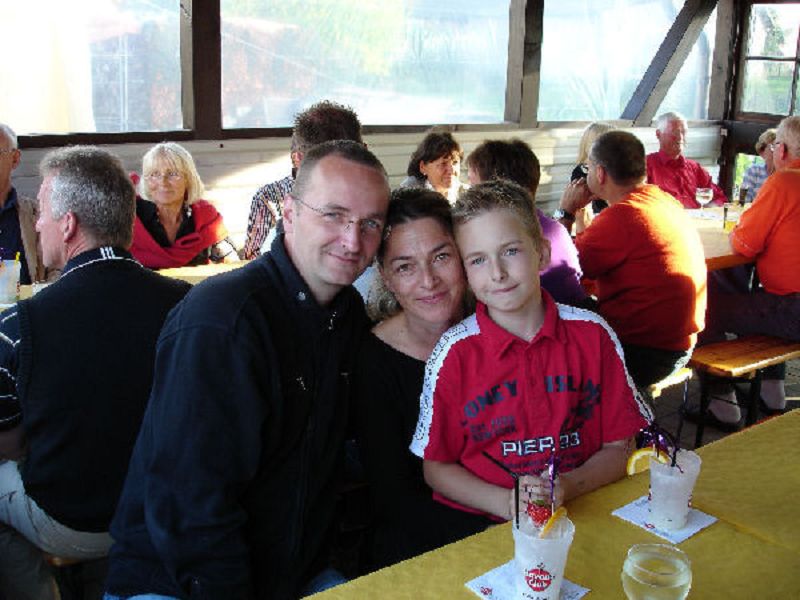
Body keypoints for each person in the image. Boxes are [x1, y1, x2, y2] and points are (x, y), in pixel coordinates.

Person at [105, 140, 391, 600]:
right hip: (180, 579)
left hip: (292, 569)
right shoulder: (223, 321)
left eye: (370, 223)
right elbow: (190, 507)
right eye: (333, 215)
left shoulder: (346, 315)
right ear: (290, 213)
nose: (353, 240)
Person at [0, 146, 190, 599]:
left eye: (42, 211)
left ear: (68, 225)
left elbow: (10, 444)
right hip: (165, 509)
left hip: (72, 523)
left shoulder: (18, 326)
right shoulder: (188, 304)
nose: (37, 224)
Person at [410, 179, 651, 522]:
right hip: (485, 524)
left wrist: (567, 486)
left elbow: (621, 447)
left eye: (511, 251)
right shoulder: (452, 353)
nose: (497, 273)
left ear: (542, 253)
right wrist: (505, 503)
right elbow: (436, 467)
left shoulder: (593, 334)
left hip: (582, 509)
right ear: (464, 271)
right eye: (477, 260)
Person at [354, 188, 492, 570]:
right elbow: (395, 499)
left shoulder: (499, 329)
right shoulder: (374, 362)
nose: (428, 280)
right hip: (426, 546)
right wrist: (496, 530)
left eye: (441, 257)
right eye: (405, 267)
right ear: (386, 277)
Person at [558, 131, 707, 389]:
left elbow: (559, 268)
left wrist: (566, 213)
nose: (586, 173)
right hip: (679, 343)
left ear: (600, 173)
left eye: (588, 167)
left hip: (644, 352)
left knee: (553, 310)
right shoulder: (663, 200)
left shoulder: (623, 216)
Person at [694, 116, 800, 426]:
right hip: (788, 306)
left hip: (792, 311)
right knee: (750, 297)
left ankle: (722, 404)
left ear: (781, 151)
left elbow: (744, 244)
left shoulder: (784, 181)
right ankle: (772, 393)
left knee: (700, 308)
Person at [465, 138, 587, 307]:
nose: (468, 196)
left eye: (473, 188)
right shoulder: (556, 229)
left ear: (497, 192)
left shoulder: (498, 242)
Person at [241, 100, 364, 259]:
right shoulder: (269, 199)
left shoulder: (372, 197)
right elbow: (254, 260)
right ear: (298, 159)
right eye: (326, 165)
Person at [130, 142, 236, 269]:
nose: (163, 182)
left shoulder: (206, 218)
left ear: (188, 179)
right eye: (154, 174)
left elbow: (232, 266)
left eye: (172, 174)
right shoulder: (129, 220)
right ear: (145, 181)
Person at [0, 123, 53, 284]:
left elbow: (57, 268)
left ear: (15, 158)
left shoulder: (38, 215)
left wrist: (43, 294)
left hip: (31, 299)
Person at [646, 112, 727, 209]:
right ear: (658, 134)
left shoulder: (695, 168)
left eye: (683, 132)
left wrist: (706, 211)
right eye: (674, 132)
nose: (680, 137)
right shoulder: (645, 166)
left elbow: (719, 197)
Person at [400, 130, 464, 202]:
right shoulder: (408, 197)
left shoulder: (465, 193)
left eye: (455, 162)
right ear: (423, 167)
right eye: (443, 163)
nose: (451, 170)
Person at [741, 128, 777, 204]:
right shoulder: (754, 170)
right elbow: (745, 202)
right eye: (772, 147)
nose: (776, 151)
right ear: (762, 152)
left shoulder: (786, 175)